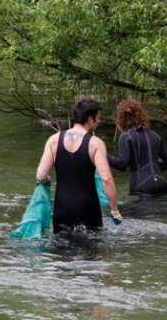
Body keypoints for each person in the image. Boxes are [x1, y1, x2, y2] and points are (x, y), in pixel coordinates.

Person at [36, 97, 123, 233]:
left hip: (62, 209)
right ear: (90, 119)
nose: (99, 121)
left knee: (62, 250)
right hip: (88, 209)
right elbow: (106, 179)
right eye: (98, 118)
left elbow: (40, 176)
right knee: (92, 250)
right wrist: (114, 210)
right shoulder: (95, 143)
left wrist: (48, 181)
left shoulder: (53, 140)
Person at [108, 98, 167, 195]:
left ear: (121, 119)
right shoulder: (155, 135)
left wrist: (102, 154)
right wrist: (155, 165)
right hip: (162, 185)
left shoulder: (126, 137)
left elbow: (122, 165)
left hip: (141, 187)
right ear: (140, 115)